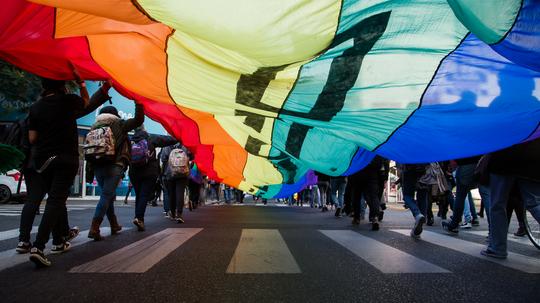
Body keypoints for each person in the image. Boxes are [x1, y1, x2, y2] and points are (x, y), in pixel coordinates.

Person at [26, 75, 112, 267]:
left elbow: (32, 138)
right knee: (56, 201)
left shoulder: (36, 107)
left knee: (55, 201)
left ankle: (58, 241)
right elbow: (86, 102)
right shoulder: (68, 101)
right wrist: (82, 83)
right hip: (65, 158)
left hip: (44, 160)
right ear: (62, 85)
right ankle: (38, 246)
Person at [86, 102, 144, 240]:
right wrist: (138, 103)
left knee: (109, 196)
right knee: (107, 195)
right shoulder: (119, 124)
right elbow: (138, 120)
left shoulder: (94, 126)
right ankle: (94, 227)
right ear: (115, 115)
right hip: (114, 164)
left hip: (98, 165)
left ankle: (114, 224)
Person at [483, 137, 540, 259]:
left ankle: (498, 248)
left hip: (504, 157)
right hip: (533, 156)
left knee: (498, 204)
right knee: (534, 203)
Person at [129, 125, 176, 231]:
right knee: (144, 195)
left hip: (134, 172)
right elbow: (166, 140)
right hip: (149, 172)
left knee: (139, 195)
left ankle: (138, 217)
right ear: (144, 129)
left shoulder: (130, 140)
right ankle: (139, 218)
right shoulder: (150, 137)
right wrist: (178, 137)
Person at [350, 156, 383, 230]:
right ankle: (375, 217)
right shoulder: (374, 149)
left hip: (358, 174)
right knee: (374, 196)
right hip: (372, 175)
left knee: (357, 196)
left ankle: (356, 218)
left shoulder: (359, 147)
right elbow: (380, 164)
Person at [161, 143, 190, 223]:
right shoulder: (184, 145)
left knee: (172, 194)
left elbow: (163, 158)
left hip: (170, 173)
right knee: (180, 193)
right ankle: (179, 214)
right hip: (182, 173)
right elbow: (190, 157)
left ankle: (173, 213)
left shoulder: (167, 146)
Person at [399, 163, 429, 239]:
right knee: (423, 196)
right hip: (425, 169)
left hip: (409, 168)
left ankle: (417, 214)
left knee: (407, 196)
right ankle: (420, 222)